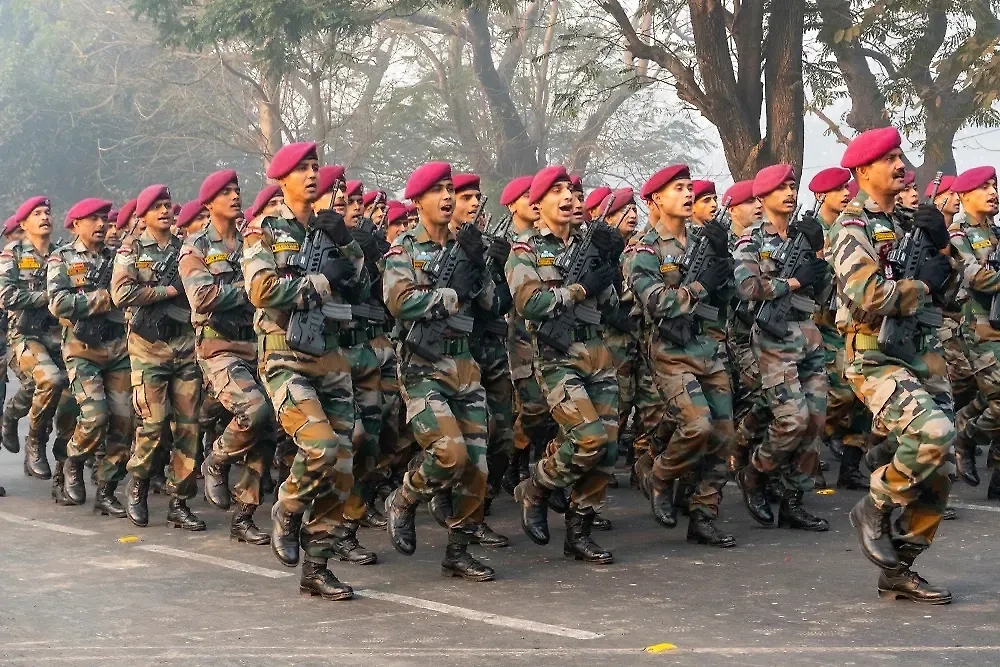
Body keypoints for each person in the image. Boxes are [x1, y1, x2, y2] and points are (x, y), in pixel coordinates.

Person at [832, 126, 955, 603]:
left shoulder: (910, 221)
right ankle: (874, 506)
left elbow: (950, 291)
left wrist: (943, 248)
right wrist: (923, 284)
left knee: (940, 467)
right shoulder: (852, 226)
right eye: (889, 159)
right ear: (863, 171)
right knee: (934, 433)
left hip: (919, 351)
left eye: (902, 156)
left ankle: (900, 568)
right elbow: (869, 293)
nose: (901, 165)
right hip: (873, 354)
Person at [242, 142, 366, 600]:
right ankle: (288, 507)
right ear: (281, 178)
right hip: (284, 355)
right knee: (320, 445)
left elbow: (361, 284)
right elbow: (260, 290)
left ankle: (317, 565)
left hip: (330, 355)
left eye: (316, 167)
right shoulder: (265, 230)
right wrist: (318, 281)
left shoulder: (328, 227)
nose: (313, 174)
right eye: (302, 168)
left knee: (343, 461)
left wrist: (347, 242)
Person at [381, 162, 499, 582]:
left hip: (464, 363)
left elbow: (490, 304)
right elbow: (399, 301)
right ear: (417, 201)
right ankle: (404, 498)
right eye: (438, 191)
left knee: (478, 466)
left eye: (450, 189)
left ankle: (459, 550)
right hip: (423, 365)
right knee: (449, 453)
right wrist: (450, 293)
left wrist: (480, 265)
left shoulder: (465, 245)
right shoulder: (404, 249)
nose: (448, 197)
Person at [506, 165, 619, 564]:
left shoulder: (588, 244)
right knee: (589, 439)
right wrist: (580, 287)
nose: (569, 197)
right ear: (537, 205)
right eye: (557, 191)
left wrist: (608, 265)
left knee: (607, 448)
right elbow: (531, 304)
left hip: (597, 353)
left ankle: (579, 530)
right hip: (558, 357)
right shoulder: (524, 251)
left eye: (570, 190)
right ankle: (536, 485)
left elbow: (611, 307)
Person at [629, 164, 735, 546]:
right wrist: (701, 287)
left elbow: (730, 296)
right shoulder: (646, 249)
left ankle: (703, 515)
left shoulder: (701, 243)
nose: (689, 194)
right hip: (670, 352)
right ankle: (659, 476)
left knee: (723, 435)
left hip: (707, 347)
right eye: (679, 188)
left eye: (690, 188)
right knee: (697, 426)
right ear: (656, 198)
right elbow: (655, 301)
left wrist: (724, 262)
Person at [733, 164, 831, 532]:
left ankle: (793, 500)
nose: (789, 193)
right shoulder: (751, 240)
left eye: (792, 186)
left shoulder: (803, 237)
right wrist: (791, 282)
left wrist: (818, 256)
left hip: (808, 332)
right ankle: (755, 472)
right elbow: (746, 287)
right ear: (761, 198)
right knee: (792, 420)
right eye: (780, 188)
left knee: (816, 421)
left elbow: (824, 291)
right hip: (774, 336)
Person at [180, 170, 274, 545]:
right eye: (225, 192)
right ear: (208, 203)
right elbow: (202, 297)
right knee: (254, 410)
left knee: (267, 428)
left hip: (258, 343)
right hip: (218, 347)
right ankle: (216, 459)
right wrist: (251, 288)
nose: (235, 196)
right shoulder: (196, 247)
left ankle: (244, 515)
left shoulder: (254, 239)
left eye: (236, 190)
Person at [111, 184, 205, 531]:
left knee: (189, 426)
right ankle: (137, 486)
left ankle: (179, 501)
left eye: (168, 205)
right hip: (148, 349)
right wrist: (167, 291)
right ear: (144, 215)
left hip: (185, 346)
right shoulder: (131, 250)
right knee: (153, 423)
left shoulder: (187, 248)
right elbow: (121, 293)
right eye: (157, 207)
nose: (165, 211)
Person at [48, 198, 132, 515]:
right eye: (93, 219)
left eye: (104, 219)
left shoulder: (118, 257)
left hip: (118, 349)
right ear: (76, 224)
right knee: (95, 416)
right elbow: (58, 303)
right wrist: (104, 299)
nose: (101, 224)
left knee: (124, 422)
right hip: (82, 350)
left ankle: (107, 490)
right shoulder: (63, 258)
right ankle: (73, 460)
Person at [0, 197, 76, 494]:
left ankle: (63, 472)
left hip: (61, 337)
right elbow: (6, 296)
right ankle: (33, 438)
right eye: (37, 213)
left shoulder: (63, 253)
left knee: (69, 401)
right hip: (26, 336)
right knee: (48, 379)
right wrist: (49, 298)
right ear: (23, 223)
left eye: (47, 212)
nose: (45, 217)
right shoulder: (13, 255)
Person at [807, 167, 871, 489]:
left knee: (862, 395)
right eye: (837, 190)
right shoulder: (809, 232)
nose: (846, 194)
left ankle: (850, 466)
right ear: (821, 196)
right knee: (837, 396)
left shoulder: (855, 226)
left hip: (852, 322)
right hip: (821, 325)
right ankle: (810, 456)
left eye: (847, 188)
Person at [947, 166, 1000, 495]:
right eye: (984, 187)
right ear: (964, 196)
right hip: (978, 328)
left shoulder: (996, 232)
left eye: (994, 185)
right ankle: (965, 437)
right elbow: (976, 277)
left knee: (991, 397)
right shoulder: (957, 235)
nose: (993, 192)